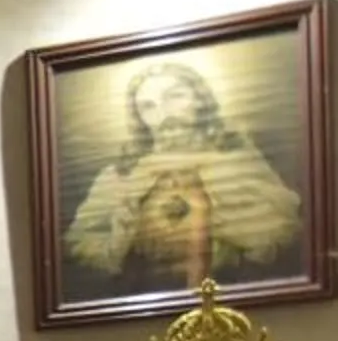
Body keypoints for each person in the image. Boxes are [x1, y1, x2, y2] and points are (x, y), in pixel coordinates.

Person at [63, 60, 304, 295]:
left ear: (200, 100)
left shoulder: (236, 160)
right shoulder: (119, 175)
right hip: (144, 303)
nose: (164, 113)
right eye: (148, 106)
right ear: (139, 118)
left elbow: (283, 231)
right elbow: (79, 243)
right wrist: (120, 242)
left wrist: (218, 221)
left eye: (174, 97)